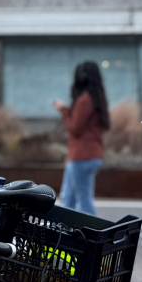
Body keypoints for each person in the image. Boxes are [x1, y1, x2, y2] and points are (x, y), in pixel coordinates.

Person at [52, 61, 109, 216]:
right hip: (91, 155)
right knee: (68, 198)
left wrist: (64, 110)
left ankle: (90, 238)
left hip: (81, 156)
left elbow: (75, 128)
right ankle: (64, 233)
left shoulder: (85, 100)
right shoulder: (97, 98)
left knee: (82, 202)